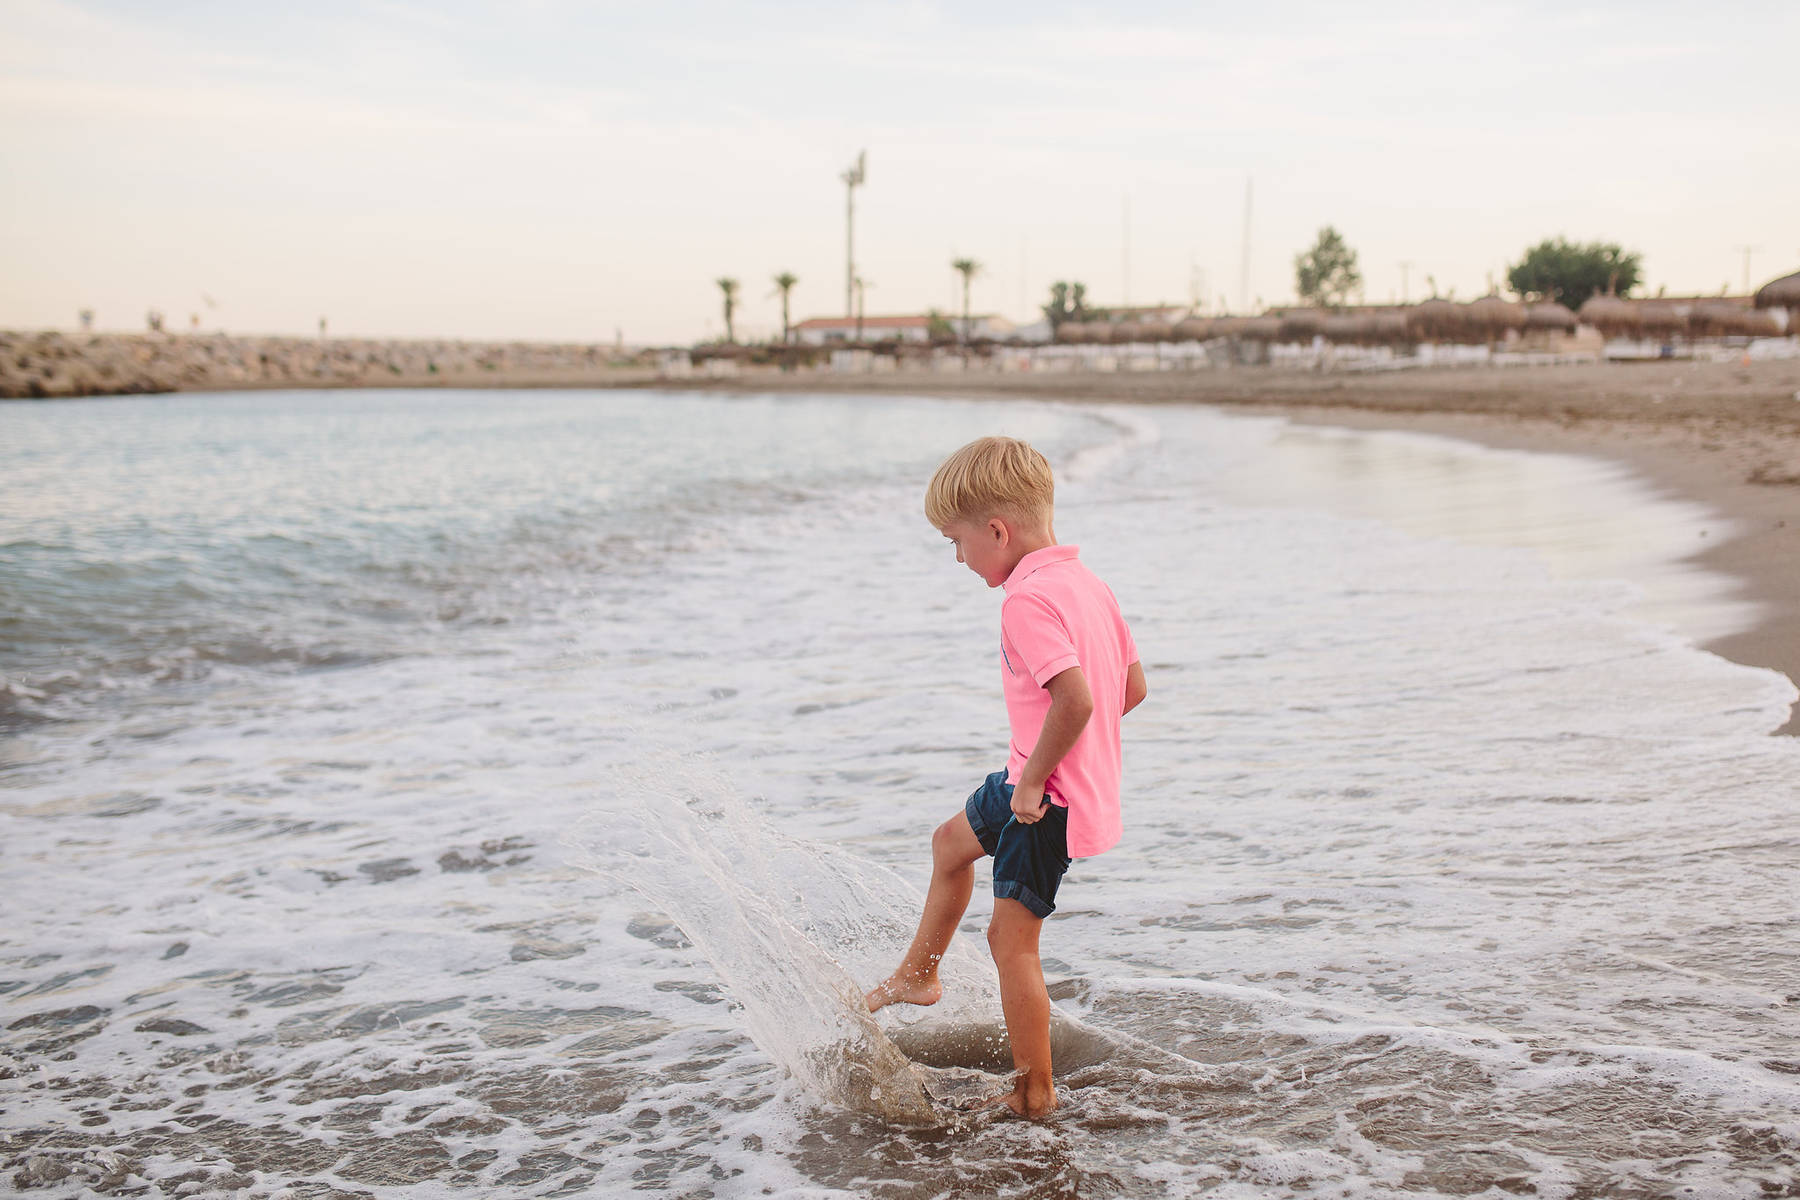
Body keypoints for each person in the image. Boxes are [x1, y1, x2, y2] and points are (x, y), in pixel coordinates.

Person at [865, 435, 1146, 1118]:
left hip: (1040, 800)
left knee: (1009, 942)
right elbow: (1130, 689)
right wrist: (1052, 762)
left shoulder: (1025, 602)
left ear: (998, 530)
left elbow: (1077, 698)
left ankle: (1035, 1091)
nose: (958, 558)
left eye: (956, 541)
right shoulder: (1088, 584)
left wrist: (1039, 778)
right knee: (949, 844)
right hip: (1034, 778)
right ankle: (919, 974)